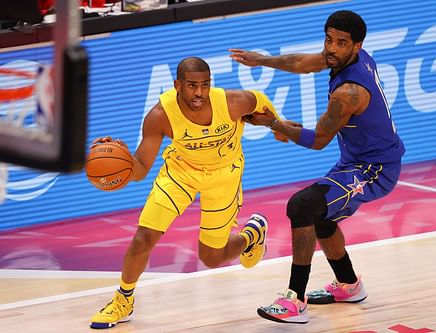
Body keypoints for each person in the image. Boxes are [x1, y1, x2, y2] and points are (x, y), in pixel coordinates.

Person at [229, 10, 405, 324]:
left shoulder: (348, 94)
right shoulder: (350, 57)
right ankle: (349, 285)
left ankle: (295, 300)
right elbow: (303, 62)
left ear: (357, 45)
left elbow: (317, 141)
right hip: (357, 160)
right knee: (321, 217)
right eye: (328, 39)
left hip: (375, 169)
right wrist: (262, 60)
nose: (331, 48)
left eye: (340, 42)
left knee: (302, 205)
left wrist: (273, 124)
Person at [89, 56, 280, 329]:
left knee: (211, 258)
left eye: (204, 85)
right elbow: (141, 168)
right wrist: (124, 158)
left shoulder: (233, 102)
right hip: (181, 173)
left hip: (223, 175)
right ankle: (123, 300)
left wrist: (278, 127)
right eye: (192, 85)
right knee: (144, 236)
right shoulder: (160, 116)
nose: (199, 92)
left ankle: (252, 235)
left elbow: (260, 102)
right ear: (178, 85)